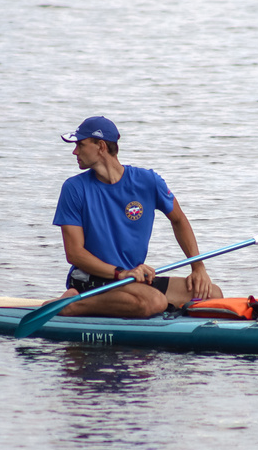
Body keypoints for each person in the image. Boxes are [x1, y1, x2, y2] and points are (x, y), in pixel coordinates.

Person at [50, 116, 223, 318]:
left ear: (101, 146)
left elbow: (179, 220)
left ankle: (142, 305)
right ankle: (70, 304)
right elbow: (75, 254)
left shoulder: (148, 181)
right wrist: (119, 273)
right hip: (91, 279)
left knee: (212, 294)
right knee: (154, 301)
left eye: (80, 144)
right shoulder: (74, 188)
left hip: (131, 278)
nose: (75, 151)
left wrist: (198, 267)